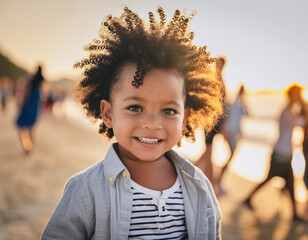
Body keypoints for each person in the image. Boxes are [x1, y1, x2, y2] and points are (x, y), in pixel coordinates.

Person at [42, 7, 224, 239]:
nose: (151, 123)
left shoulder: (199, 186)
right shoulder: (85, 190)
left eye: (169, 110)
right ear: (108, 113)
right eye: (135, 107)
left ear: (185, 117)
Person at [243, 83, 306, 221]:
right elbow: (301, 123)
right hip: (280, 153)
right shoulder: (287, 112)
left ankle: (294, 213)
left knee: (290, 182)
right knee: (271, 178)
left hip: (284, 153)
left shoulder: (288, 111)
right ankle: (248, 197)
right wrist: (303, 105)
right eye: (297, 94)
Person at [195, 56, 226, 189]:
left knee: (210, 152)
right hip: (211, 121)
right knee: (208, 152)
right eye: (221, 64)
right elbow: (216, 103)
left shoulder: (217, 79)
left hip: (213, 121)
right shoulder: (216, 80)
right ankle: (190, 171)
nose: (222, 66)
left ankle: (210, 182)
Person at [216, 83, 248, 193]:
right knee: (230, 156)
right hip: (230, 132)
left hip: (233, 133)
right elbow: (228, 117)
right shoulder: (236, 103)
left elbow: (247, 114)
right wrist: (225, 131)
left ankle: (219, 180)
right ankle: (218, 181)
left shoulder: (240, 103)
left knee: (230, 157)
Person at [15, 65, 45, 154]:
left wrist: (20, 105)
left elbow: (26, 95)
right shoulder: (42, 82)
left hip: (28, 106)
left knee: (21, 126)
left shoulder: (30, 81)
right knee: (32, 128)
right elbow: (43, 96)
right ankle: (31, 148)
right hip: (36, 107)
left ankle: (26, 147)